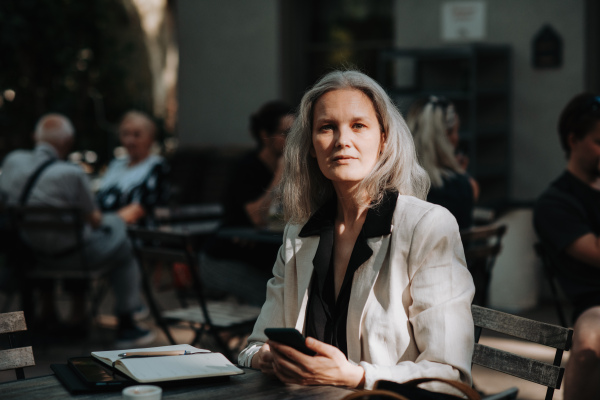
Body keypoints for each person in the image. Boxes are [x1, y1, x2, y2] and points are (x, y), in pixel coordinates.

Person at [237, 71, 475, 395]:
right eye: (326, 127)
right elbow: (252, 348)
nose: (341, 141)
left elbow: (450, 377)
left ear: (384, 139)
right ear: (310, 146)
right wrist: (269, 357)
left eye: (358, 125)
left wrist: (355, 376)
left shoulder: (427, 227)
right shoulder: (298, 235)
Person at [0, 113, 154, 346]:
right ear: (67, 142)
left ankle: (51, 315)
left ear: (35, 137)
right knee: (121, 242)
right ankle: (127, 323)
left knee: (69, 238)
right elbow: (94, 221)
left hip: (29, 256)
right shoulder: (71, 173)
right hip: (73, 259)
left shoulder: (12, 162)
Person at [533, 93, 600, 400]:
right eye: (599, 141)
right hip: (593, 303)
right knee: (589, 339)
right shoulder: (555, 203)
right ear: (573, 140)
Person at [201, 101, 295, 306]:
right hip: (224, 260)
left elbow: (280, 220)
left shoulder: (293, 171)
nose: (293, 140)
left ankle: (223, 337)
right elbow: (258, 217)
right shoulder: (248, 168)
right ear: (264, 135)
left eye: (297, 133)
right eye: (286, 133)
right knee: (274, 301)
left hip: (260, 258)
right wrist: (279, 175)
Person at [406, 96, 478, 230]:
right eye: (456, 131)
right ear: (444, 137)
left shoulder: (399, 185)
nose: (458, 138)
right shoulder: (460, 187)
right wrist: (459, 174)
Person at [96, 110, 169, 225]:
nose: (130, 141)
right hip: (103, 227)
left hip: (132, 233)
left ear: (150, 139)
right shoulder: (116, 164)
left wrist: (102, 224)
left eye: (137, 135)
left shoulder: (157, 167)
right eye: (125, 134)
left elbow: (139, 209)